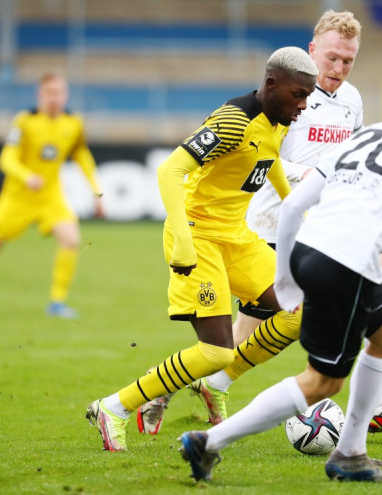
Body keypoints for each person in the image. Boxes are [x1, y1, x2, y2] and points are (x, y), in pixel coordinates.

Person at [138, 9, 382, 439]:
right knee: (243, 338)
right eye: (331, 58)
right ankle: (176, 386)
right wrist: (308, 176)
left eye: (348, 60)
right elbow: (264, 154)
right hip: (274, 224)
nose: (338, 68)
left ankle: (375, 403)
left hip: (329, 225)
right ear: (313, 50)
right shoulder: (294, 96)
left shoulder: (352, 100)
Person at [178, 75, 382, 483]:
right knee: (322, 381)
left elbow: (295, 203)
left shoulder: (366, 137)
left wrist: (284, 275)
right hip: (346, 262)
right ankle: (208, 442)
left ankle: (351, 452)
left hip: (311, 247)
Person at [85, 46, 318, 452]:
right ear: (271, 84)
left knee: (301, 312)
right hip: (197, 236)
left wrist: (297, 208)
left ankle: (215, 385)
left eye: (308, 97)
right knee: (215, 351)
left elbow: (269, 158)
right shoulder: (233, 121)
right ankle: (114, 407)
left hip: (237, 236)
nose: (303, 105)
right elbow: (169, 170)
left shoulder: (277, 120)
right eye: (299, 95)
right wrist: (182, 239)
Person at [0, 72, 103, 318]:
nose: (55, 98)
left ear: (66, 95)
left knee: (71, 239)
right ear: (40, 94)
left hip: (50, 197)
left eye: (59, 93)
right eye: (50, 93)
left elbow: (81, 154)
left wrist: (96, 190)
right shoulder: (24, 121)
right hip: (17, 198)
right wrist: (26, 176)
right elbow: (6, 158)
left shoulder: (73, 123)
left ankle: (57, 303)